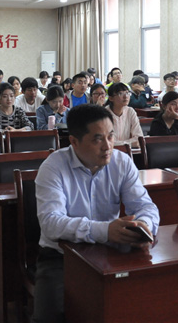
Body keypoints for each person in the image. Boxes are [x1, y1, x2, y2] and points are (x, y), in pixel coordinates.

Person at [33, 104, 159, 322]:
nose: (108, 146)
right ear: (74, 142)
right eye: (97, 139)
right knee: (49, 317)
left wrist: (144, 225)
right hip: (61, 258)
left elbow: (146, 206)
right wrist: (105, 231)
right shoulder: (53, 167)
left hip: (110, 251)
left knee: (144, 303)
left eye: (111, 136)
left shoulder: (122, 162)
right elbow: (51, 223)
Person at [106, 83, 143, 147]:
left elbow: (139, 139)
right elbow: (106, 142)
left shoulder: (130, 111)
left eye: (127, 93)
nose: (125, 96)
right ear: (111, 98)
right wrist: (129, 143)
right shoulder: (104, 114)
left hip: (127, 151)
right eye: (120, 93)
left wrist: (120, 144)